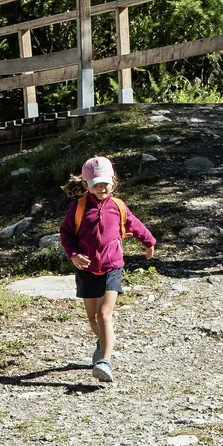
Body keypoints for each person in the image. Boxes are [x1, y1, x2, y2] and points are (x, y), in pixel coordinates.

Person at [58, 155, 157, 385]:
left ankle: (105, 362)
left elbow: (134, 223)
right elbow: (66, 233)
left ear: (113, 181)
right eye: (96, 184)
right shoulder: (78, 208)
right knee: (93, 319)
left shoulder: (118, 206)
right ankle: (102, 342)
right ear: (86, 185)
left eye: (106, 183)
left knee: (104, 314)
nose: (102, 188)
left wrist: (149, 242)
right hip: (87, 268)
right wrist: (73, 254)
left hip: (112, 266)